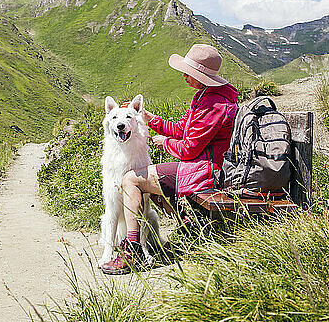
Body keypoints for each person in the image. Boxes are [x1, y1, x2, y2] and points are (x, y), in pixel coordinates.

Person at [100, 43, 239, 275]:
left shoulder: (214, 105)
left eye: (189, 73)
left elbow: (189, 148)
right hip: (198, 165)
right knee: (149, 178)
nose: (184, 76)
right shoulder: (205, 96)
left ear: (202, 76)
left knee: (131, 180)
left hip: (206, 169)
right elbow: (182, 128)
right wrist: (150, 119)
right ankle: (187, 229)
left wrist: (165, 143)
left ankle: (133, 252)